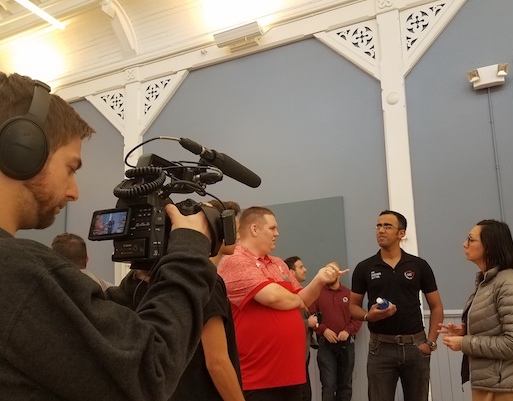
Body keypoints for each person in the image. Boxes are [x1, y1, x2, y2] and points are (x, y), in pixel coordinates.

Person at [0, 72, 216, 400]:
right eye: (71, 168)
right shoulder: (18, 271)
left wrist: (141, 277)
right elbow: (150, 370)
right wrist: (189, 250)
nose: (74, 192)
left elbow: (85, 327)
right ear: (22, 148)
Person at [218, 206, 348, 401]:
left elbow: (303, 299)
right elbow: (273, 297)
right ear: (254, 229)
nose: (277, 234)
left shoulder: (278, 263)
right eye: (272, 228)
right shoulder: (234, 260)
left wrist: (319, 280)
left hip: (291, 375)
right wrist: (296, 300)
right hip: (257, 379)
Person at [437, 219, 513, 401]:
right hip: (492, 385)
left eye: (471, 239)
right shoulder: (488, 283)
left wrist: (465, 343)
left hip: (510, 390)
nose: (464, 244)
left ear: (489, 246)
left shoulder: (510, 284)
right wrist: (467, 330)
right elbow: (497, 327)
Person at [349, 210, 444, 401]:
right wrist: (369, 316)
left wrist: (430, 343)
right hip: (380, 348)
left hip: (416, 346)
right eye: (378, 226)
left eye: (387, 226)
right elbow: (352, 306)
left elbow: (436, 307)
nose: (381, 230)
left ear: (401, 233)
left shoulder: (419, 265)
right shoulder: (364, 268)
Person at [170, 200, 244, 401]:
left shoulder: (173, 276)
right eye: (233, 231)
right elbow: (217, 362)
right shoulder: (207, 281)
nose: (238, 237)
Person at [310, 261, 362, 401]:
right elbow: (311, 316)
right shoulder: (317, 293)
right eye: (327, 270)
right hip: (326, 346)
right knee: (328, 385)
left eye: (333, 270)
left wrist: (347, 331)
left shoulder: (349, 294)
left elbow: (358, 317)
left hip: (346, 346)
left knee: (345, 386)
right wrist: (324, 330)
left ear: (339, 273)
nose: (330, 273)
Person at [285, 255, 319, 401]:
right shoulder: (284, 295)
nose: (305, 270)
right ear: (291, 273)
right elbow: (285, 324)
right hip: (293, 355)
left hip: (303, 352)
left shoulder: (301, 294)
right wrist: (307, 323)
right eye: (300, 267)